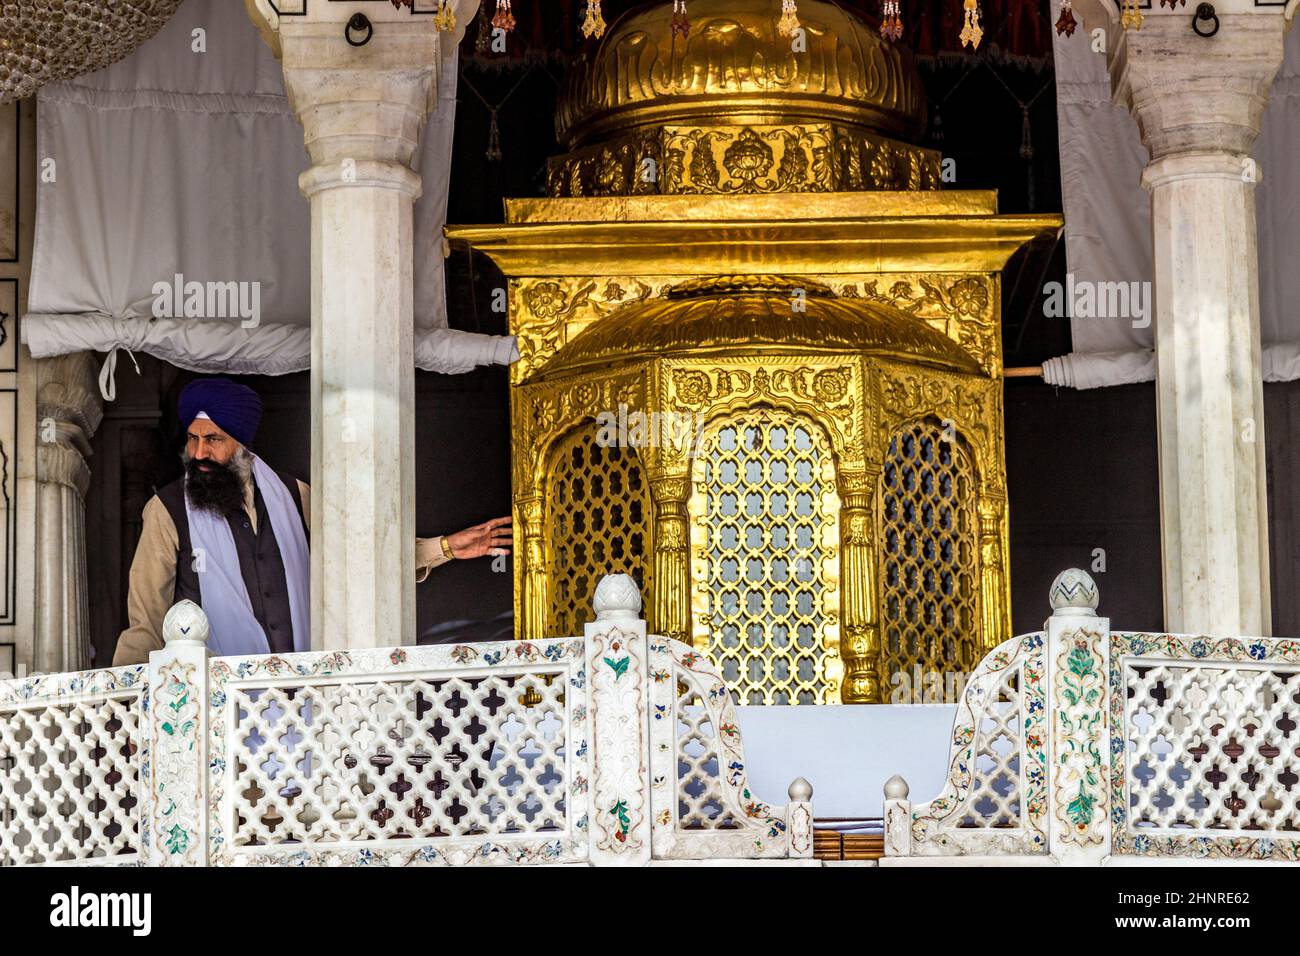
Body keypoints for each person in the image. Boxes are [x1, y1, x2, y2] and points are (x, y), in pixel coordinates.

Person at [112, 377, 512, 665]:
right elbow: (146, 620)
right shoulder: (166, 510)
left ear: (241, 445)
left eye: (213, 439)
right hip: (216, 709)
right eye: (193, 438)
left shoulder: (294, 495)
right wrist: (127, 705)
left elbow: (360, 557)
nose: (199, 452)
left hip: (301, 702)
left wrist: (443, 548)